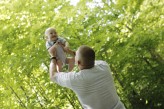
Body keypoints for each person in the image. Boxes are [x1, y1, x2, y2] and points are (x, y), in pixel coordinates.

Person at [50, 45, 126, 109]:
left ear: (78, 62)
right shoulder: (104, 66)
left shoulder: (76, 79)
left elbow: (53, 75)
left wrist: (53, 57)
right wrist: (70, 51)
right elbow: (87, 59)